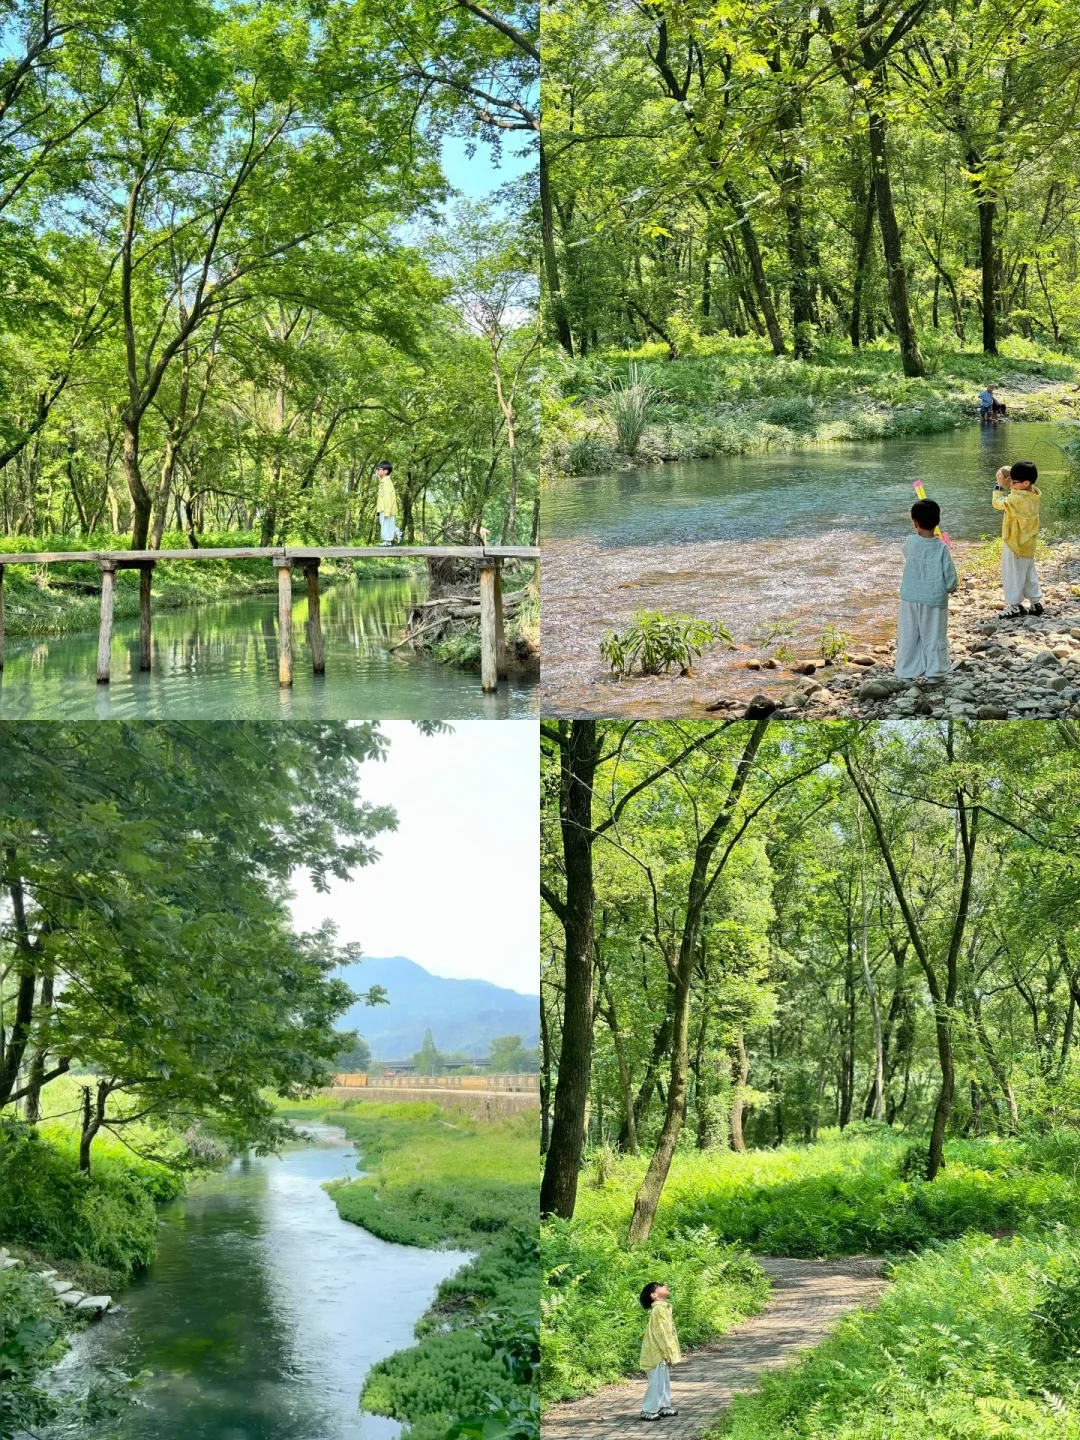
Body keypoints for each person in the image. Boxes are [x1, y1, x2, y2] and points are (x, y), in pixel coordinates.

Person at [894, 497, 959, 681]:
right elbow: (951, 579)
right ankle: (935, 672)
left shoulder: (911, 542)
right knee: (934, 635)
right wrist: (950, 587)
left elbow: (908, 552)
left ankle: (906, 671)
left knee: (909, 634)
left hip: (910, 598)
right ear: (937, 522)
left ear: (915, 523)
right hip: (934, 599)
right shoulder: (942, 548)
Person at [992, 461, 1043, 618]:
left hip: (1014, 542)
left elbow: (997, 503)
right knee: (1028, 573)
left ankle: (1014, 606)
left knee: (1012, 574)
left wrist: (999, 486)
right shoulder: (1033, 494)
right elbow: (1018, 491)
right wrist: (1012, 478)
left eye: (1014, 482)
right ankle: (1035, 603)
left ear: (1026, 482)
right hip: (1028, 543)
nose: (1011, 484)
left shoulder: (1016, 500)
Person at [638, 1281, 681, 1422]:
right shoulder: (658, 1310)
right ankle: (648, 1410)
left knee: (663, 1380)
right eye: (661, 1286)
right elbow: (661, 1332)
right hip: (655, 1351)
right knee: (656, 1381)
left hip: (660, 1351)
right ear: (654, 1295)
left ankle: (663, 1406)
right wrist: (669, 1351)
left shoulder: (663, 1307)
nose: (666, 1286)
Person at [376, 461, 398, 546]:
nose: (377, 471)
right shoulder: (384, 481)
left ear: (385, 471)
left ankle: (388, 541)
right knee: (385, 523)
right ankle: (397, 532)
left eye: (378, 469)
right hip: (383, 507)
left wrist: (387, 511)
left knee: (385, 524)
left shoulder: (385, 482)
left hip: (386, 508)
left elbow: (388, 497)